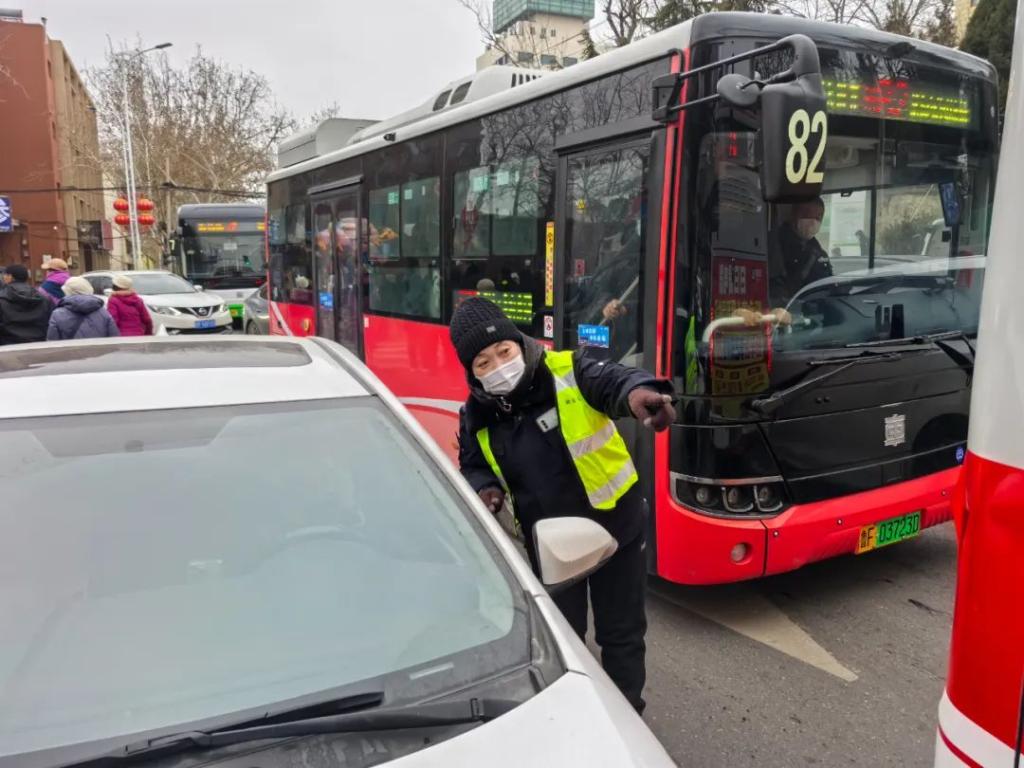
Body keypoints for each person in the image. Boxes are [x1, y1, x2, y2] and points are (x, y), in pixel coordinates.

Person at [450, 297, 675, 714]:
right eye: (483, 362)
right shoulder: (476, 414)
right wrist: (485, 489)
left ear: (518, 343)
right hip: (552, 548)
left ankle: (626, 719)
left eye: (504, 351)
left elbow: (613, 383)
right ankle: (578, 716)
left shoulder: (568, 370)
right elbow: (472, 464)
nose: (499, 365)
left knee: (622, 635)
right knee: (564, 642)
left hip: (615, 532)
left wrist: (640, 394)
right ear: (472, 372)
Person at [768, 197, 833, 307]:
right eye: (807, 214)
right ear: (794, 214)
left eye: (818, 217)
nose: (813, 221)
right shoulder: (775, 245)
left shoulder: (817, 250)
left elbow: (827, 280)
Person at [47, 276, 120, 341]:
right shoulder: (103, 312)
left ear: (67, 291)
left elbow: (53, 343)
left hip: (69, 355)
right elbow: (114, 339)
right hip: (100, 355)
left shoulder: (57, 314)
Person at [0, 264, 52, 345]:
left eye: (5, 275)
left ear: (10, 277)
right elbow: (49, 321)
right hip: (39, 343)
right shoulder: (44, 299)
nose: (3, 277)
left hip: (8, 345)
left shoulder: (2, 298)